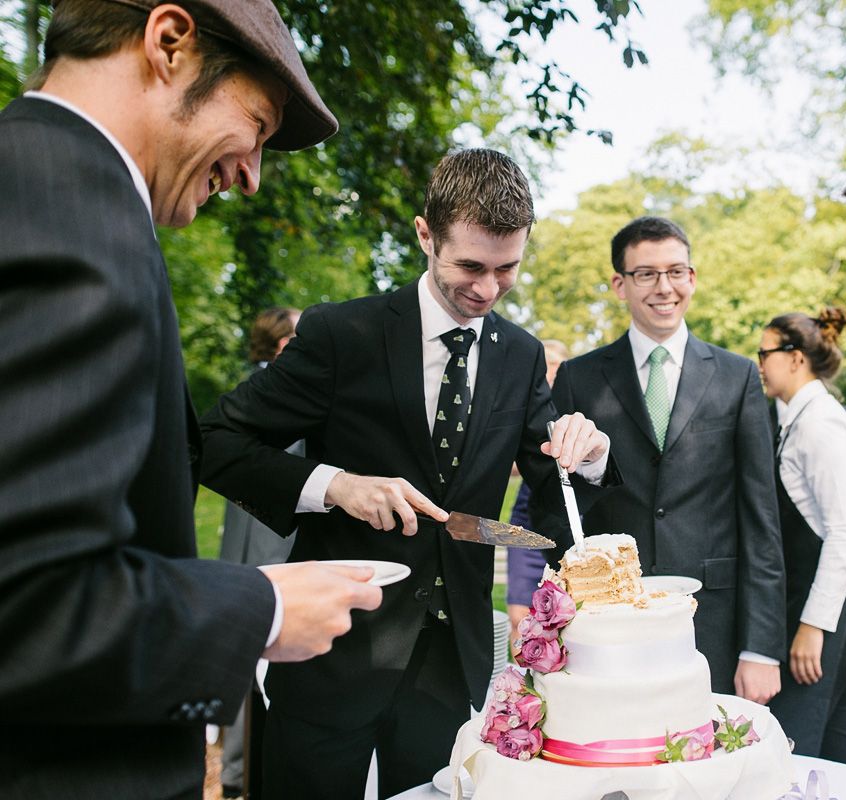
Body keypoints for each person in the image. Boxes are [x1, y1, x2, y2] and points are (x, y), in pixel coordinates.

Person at [0, 1, 383, 798]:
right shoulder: (70, 216)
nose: (250, 175)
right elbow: (31, 606)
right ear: (168, 43)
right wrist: (263, 610)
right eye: (257, 124)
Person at [200, 148, 619, 799]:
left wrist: (588, 453)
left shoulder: (521, 355)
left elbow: (551, 488)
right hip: (335, 651)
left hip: (450, 668)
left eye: (507, 268)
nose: (487, 289)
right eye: (470, 266)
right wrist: (333, 485)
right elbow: (217, 441)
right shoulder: (343, 334)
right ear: (426, 234)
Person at [543, 215, 786, 705]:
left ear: (692, 278)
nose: (664, 287)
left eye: (676, 271)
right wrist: (591, 468)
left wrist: (761, 648)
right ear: (619, 284)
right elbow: (553, 513)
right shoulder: (578, 377)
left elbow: (762, 519)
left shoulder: (736, 377)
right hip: (612, 624)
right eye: (646, 274)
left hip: (712, 616)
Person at [756, 308, 846, 766]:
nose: (759, 364)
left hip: (836, 607)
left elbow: (845, 534)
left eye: (765, 352)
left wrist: (813, 626)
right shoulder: (798, 420)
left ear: (795, 358)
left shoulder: (820, 424)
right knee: (838, 750)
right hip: (833, 603)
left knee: (794, 750)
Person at [218, 307, 302, 800]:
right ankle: (242, 776)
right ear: (283, 345)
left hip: (249, 552)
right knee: (256, 668)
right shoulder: (276, 397)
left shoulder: (257, 388)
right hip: (269, 553)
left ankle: (238, 775)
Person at [505, 339, 570, 635]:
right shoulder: (522, 402)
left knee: (563, 615)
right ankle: (518, 680)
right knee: (520, 614)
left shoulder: (572, 403)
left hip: (564, 516)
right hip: (526, 517)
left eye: (554, 368)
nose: (549, 376)